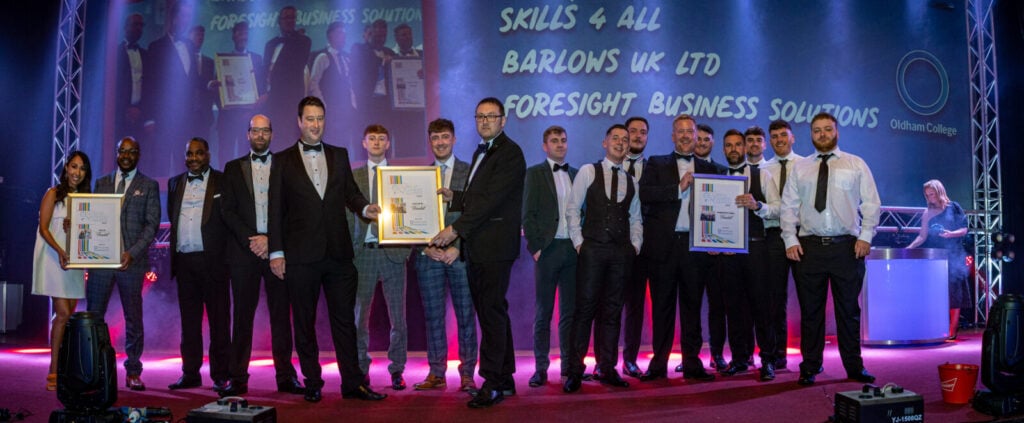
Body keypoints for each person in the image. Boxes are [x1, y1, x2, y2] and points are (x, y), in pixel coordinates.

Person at [268, 96, 386, 402]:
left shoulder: (339, 154)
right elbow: (275, 209)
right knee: (304, 323)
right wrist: (276, 252)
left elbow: (351, 194)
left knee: (345, 321)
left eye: (320, 118)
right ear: (299, 122)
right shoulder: (281, 160)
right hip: (300, 255)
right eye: (310, 119)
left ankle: (353, 383)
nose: (315, 124)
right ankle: (312, 382)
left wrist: (366, 209)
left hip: (338, 253)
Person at [431, 97, 526, 408]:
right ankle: (505, 378)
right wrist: (456, 196)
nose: (485, 121)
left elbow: (490, 201)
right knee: (493, 312)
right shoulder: (481, 151)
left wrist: (455, 229)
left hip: (494, 247)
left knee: (491, 314)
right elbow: (478, 195)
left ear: (503, 120)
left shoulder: (510, 153)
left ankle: (492, 383)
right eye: (480, 116)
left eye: (491, 116)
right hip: (481, 247)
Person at [781, 112, 880, 386]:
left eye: (827, 129)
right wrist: (790, 239)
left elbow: (871, 203)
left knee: (848, 311)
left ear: (837, 132)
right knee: (811, 313)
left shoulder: (855, 163)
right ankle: (810, 366)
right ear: (811, 135)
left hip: (847, 248)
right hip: (809, 249)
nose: (822, 134)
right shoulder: (800, 168)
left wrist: (866, 236)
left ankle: (854, 367)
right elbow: (789, 206)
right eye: (817, 130)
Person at [219, 114, 303, 397]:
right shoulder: (232, 168)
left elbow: (292, 209)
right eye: (256, 131)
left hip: (277, 250)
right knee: (242, 316)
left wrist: (272, 241)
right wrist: (252, 239)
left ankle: (286, 376)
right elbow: (227, 210)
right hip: (244, 253)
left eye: (265, 131)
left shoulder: (285, 165)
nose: (260, 135)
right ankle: (237, 378)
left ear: (272, 134)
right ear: (248, 134)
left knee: (281, 316)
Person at [638, 114, 724, 382]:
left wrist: (716, 239)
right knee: (662, 308)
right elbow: (645, 194)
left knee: (692, 308)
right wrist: (678, 187)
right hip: (663, 248)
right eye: (681, 131)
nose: (686, 136)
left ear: (697, 136)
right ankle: (658, 365)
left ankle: (692, 364)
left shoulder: (711, 169)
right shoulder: (656, 163)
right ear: (673, 136)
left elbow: (718, 210)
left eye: (690, 131)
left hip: (695, 247)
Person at [562, 124, 642, 393]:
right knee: (584, 311)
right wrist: (579, 243)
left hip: (621, 253)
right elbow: (572, 209)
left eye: (625, 139)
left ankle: (607, 368)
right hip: (592, 249)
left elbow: (635, 218)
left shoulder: (632, 181)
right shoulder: (588, 171)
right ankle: (575, 370)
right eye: (615, 138)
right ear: (604, 143)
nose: (620, 143)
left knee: (612, 311)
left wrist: (635, 246)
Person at [87, 136, 161, 391]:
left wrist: (132, 253)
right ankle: (95, 370)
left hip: (132, 262)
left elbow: (151, 225)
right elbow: (92, 219)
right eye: (122, 151)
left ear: (138, 154)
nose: (126, 155)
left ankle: (133, 371)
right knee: (94, 317)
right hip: (101, 262)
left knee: (133, 318)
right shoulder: (102, 183)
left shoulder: (149, 185)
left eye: (132, 151)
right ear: (116, 153)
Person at [411, 118, 478, 393]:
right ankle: (436, 373)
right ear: (430, 141)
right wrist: (424, 246)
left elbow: (476, 214)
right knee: (433, 317)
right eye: (435, 137)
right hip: (428, 257)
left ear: (454, 139)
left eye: (445, 137)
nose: (440, 142)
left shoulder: (470, 171)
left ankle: (468, 374)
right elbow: (411, 218)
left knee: (466, 316)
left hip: (460, 255)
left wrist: (457, 246)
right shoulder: (418, 178)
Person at [349, 124, 411, 390]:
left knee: (398, 317)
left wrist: (407, 248)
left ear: (388, 144)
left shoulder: (401, 176)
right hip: (362, 254)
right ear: (364, 143)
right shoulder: (353, 176)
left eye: (381, 138)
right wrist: (348, 251)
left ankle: (397, 369)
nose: (376, 142)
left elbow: (410, 213)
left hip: (393, 253)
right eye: (371, 138)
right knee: (359, 318)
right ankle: (361, 367)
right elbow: (346, 214)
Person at [166, 137, 230, 392]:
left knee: (219, 322)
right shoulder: (174, 183)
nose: (193, 158)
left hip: (214, 262)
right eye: (189, 154)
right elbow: (173, 218)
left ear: (208, 155)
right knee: (189, 323)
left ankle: (221, 375)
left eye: (198, 153)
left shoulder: (223, 181)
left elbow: (229, 219)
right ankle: (190, 373)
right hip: (185, 262)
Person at [523, 125, 577, 387]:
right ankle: (540, 368)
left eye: (563, 140)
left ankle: (568, 366)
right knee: (543, 312)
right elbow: (527, 214)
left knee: (569, 313)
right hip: (548, 250)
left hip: (572, 250)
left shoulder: (577, 174)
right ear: (545, 146)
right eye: (554, 141)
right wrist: (536, 248)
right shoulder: (534, 173)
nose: (560, 144)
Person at [722, 129, 779, 381]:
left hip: (756, 248)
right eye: (729, 145)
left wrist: (758, 206)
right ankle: (739, 359)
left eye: (738, 144)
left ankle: (768, 360)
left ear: (745, 148)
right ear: (723, 149)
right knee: (734, 308)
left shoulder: (762, 174)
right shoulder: (718, 177)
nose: (734, 149)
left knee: (761, 307)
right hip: (728, 252)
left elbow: (779, 209)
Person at [33, 151, 91, 391]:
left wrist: (76, 227)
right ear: (66, 168)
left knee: (66, 317)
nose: (77, 172)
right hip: (52, 257)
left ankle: (65, 366)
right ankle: (54, 369)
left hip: (73, 262)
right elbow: (44, 228)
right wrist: (59, 251)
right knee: (64, 313)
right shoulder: (53, 193)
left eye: (82, 168)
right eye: (74, 166)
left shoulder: (86, 199)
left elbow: (87, 234)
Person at [762, 119, 804, 368]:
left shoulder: (806, 165)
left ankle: (811, 357)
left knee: (809, 299)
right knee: (774, 300)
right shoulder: (763, 168)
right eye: (775, 136)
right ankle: (778, 355)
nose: (779, 140)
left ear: (792, 138)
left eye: (783, 135)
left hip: (802, 236)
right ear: (770, 141)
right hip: (773, 237)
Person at [906, 179, 969, 340]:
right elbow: (922, 236)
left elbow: (964, 229)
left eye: (932, 194)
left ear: (940, 192)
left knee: (954, 293)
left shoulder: (954, 207)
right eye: (927, 195)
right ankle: (938, 326)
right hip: (936, 257)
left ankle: (952, 329)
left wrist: (951, 234)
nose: (930, 197)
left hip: (954, 254)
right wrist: (908, 249)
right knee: (937, 292)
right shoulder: (927, 213)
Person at [143, 0, 195, 176]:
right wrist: (149, 118)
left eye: (189, 17)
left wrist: (210, 84)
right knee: (161, 164)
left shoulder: (190, 46)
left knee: (186, 163)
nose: (186, 21)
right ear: (174, 18)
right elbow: (149, 85)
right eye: (184, 16)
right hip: (162, 118)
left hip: (187, 118)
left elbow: (193, 80)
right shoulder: (156, 47)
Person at [620, 116, 649, 378]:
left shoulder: (655, 169)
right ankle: (604, 361)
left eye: (643, 132)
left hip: (642, 250)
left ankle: (630, 359)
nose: (638, 136)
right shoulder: (606, 167)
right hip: (611, 247)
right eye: (633, 131)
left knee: (635, 308)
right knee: (606, 305)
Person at [216, 21, 265, 159]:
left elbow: (261, 86)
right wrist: (224, 104)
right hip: (228, 118)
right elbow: (218, 90)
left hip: (249, 117)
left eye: (245, 33)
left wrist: (258, 103)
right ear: (233, 36)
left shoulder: (256, 59)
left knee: (247, 155)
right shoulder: (223, 60)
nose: (243, 36)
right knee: (226, 155)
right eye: (239, 33)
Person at [263, 6, 311, 144]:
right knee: (272, 140)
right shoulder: (271, 44)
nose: (290, 21)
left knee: (290, 140)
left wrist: (295, 35)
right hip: (271, 101)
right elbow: (265, 70)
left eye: (293, 17)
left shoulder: (303, 41)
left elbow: (292, 68)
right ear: (279, 21)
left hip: (290, 101)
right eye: (286, 17)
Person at [309, 21, 357, 147]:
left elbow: (350, 83)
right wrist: (323, 105)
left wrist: (353, 104)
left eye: (344, 34)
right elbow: (313, 83)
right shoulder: (323, 57)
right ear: (330, 36)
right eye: (339, 33)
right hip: (330, 109)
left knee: (345, 144)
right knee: (330, 143)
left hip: (346, 109)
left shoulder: (347, 57)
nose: (343, 37)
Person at [115, 14, 146, 139]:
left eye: (141, 25)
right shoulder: (116, 54)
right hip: (120, 115)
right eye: (135, 24)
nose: (139, 28)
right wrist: (125, 110)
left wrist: (140, 109)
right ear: (126, 27)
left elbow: (149, 86)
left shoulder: (145, 54)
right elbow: (114, 87)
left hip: (140, 114)